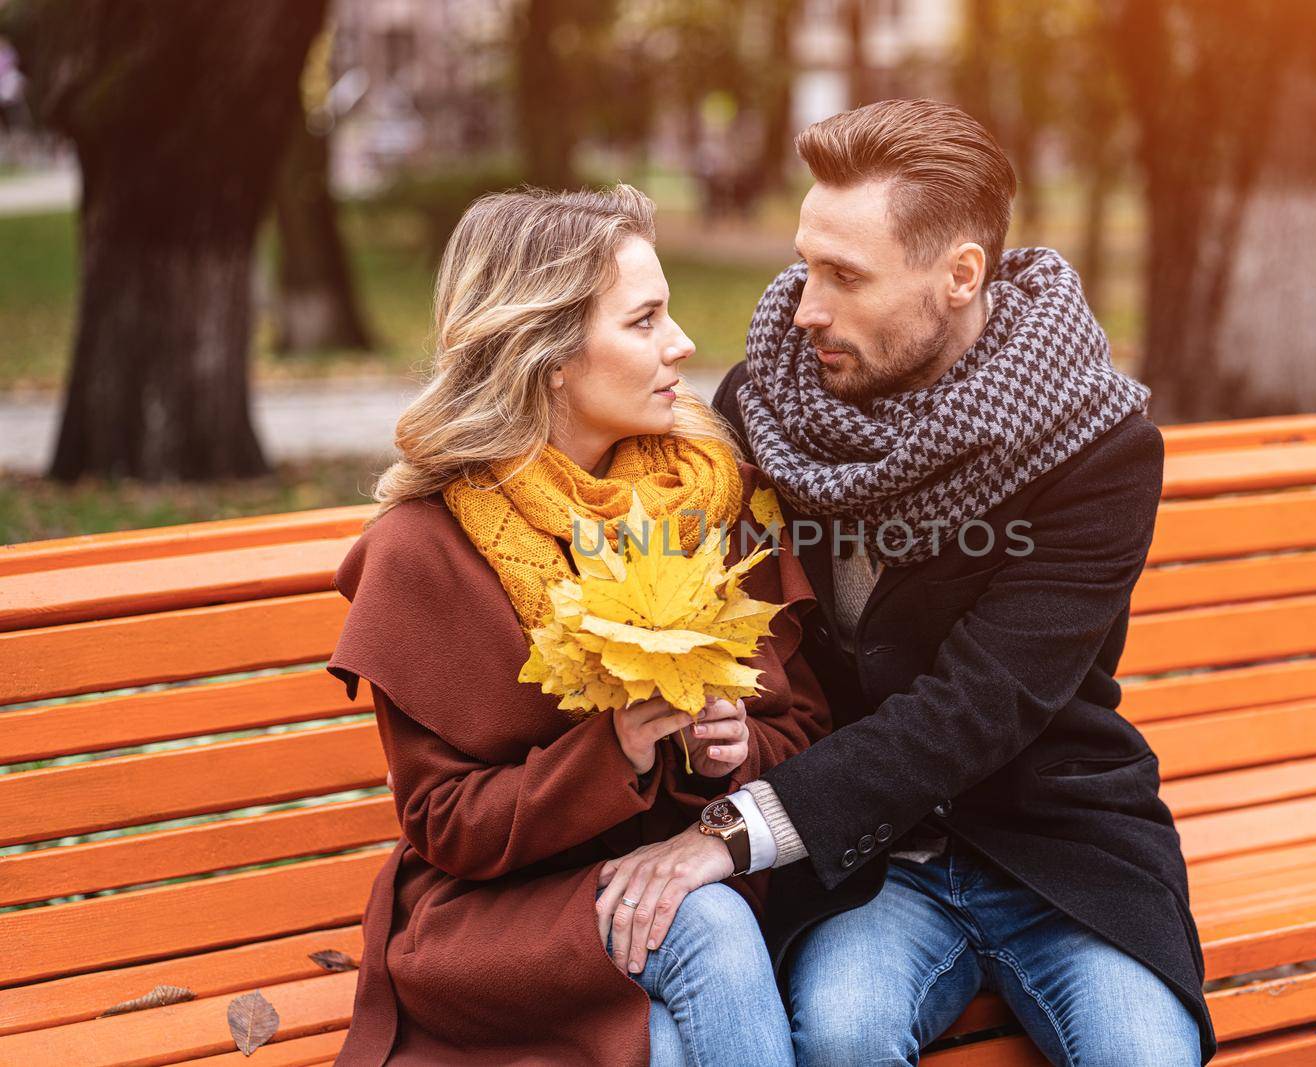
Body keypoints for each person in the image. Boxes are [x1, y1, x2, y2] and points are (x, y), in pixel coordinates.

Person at [598, 100, 1217, 1065]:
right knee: (842, 1036)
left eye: (846, 276)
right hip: (865, 864)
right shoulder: (762, 410)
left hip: (1056, 843)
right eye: (807, 265)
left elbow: (981, 704)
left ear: (960, 275)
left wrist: (737, 830)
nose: (806, 307)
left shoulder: (1093, 446)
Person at [325, 185, 829, 1066]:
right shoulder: (425, 548)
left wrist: (732, 748)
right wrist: (617, 751)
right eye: (643, 321)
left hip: (692, 882)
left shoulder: (710, 496)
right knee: (699, 925)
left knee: (670, 1042)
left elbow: (804, 727)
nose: (681, 344)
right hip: (499, 921)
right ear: (548, 355)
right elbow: (443, 821)